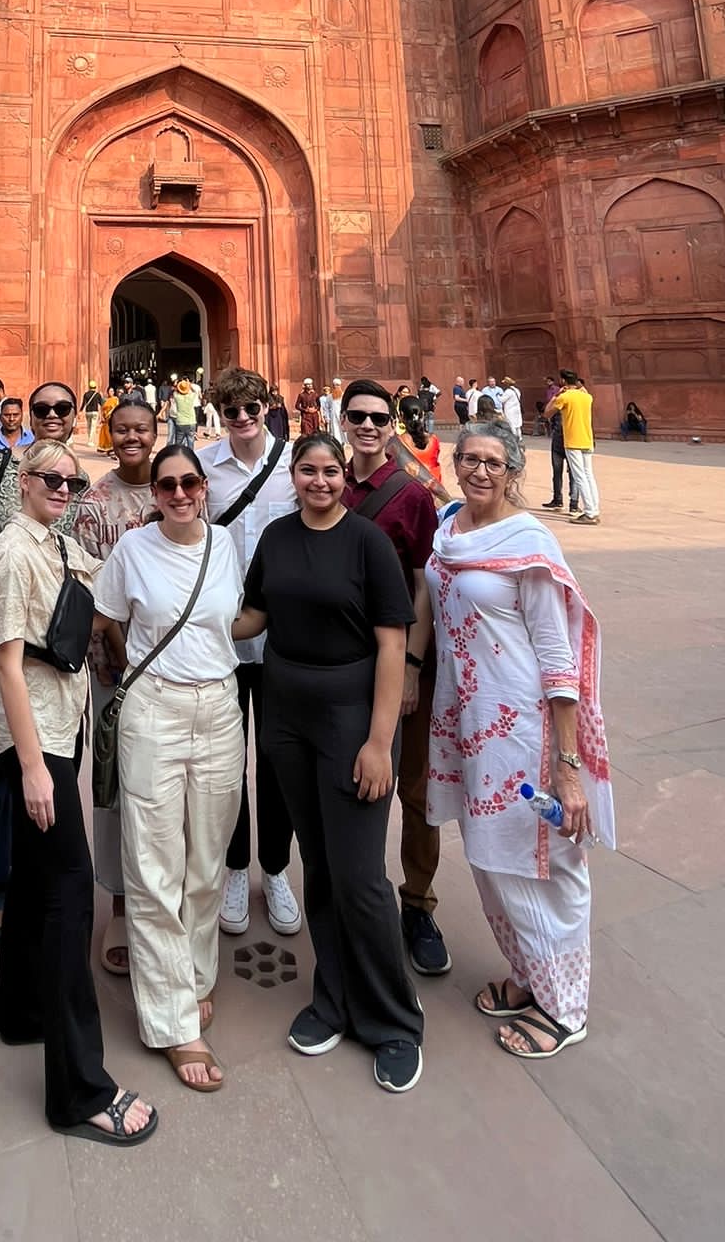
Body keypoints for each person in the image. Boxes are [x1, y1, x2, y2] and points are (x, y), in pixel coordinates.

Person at [234, 431, 424, 1093]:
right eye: (309, 471)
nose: (320, 481)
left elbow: (393, 644)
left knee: (361, 876)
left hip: (350, 716)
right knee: (319, 864)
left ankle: (394, 1019)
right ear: (294, 475)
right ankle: (335, 998)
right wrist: (180, 606)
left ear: (345, 477)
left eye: (330, 472)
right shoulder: (279, 537)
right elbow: (253, 615)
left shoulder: (367, 543)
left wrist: (379, 743)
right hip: (286, 711)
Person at [0, 442, 158, 1148]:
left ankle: (20, 1013)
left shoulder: (56, 544)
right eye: (49, 477)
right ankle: (80, 1090)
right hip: (36, 741)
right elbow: (7, 663)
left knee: (32, 879)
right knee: (68, 895)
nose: (61, 486)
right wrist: (31, 768)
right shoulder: (13, 552)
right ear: (22, 483)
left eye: (70, 479)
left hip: (61, 722)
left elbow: (109, 575)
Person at [426, 420, 615, 1059]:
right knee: (489, 857)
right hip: (474, 726)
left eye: (492, 462)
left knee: (543, 862)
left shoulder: (529, 542)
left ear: (513, 471)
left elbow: (557, 657)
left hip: (526, 733)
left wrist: (568, 766)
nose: (479, 471)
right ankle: (533, 976)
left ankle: (565, 1009)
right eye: (468, 459)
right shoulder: (450, 530)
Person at [96, 441, 245, 1092]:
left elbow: (227, 622)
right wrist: (138, 666)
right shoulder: (132, 549)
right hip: (153, 709)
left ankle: (193, 975)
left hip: (218, 706)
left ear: (203, 487)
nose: (180, 494)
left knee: (207, 860)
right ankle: (172, 1022)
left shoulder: (226, 545)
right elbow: (104, 618)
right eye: (166, 486)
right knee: (154, 868)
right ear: (151, 492)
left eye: (189, 483)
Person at [0, 384, 83, 954]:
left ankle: (27, 893)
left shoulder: (73, 477)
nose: (54, 416)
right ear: (28, 416)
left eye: (64, 409)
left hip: (54, 650)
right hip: (6, 639)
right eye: (44, 410)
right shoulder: (2, 463)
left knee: (37, 783)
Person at [339, 384, 449, 979]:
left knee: (415, 789)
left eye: (377, 418)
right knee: (351, 784)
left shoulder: (411, 494)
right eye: (356, 416)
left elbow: (423, 585)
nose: (367, 425)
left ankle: (417, 903)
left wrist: (411, 664)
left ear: (392, 424)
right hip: (344, 663)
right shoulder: (327, 478)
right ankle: (359, 899)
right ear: (343, 419)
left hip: (401, 662)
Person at [203, 368, 301, 939]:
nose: (242, 419)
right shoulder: (206, 468)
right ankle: (236, 868)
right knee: (228, 761)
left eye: (251, 408)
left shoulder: (295, 464)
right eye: (232, 410)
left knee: (278, 758)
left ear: (267, 406)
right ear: (219, 412)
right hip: (225, 633)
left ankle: (277, 868)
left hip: (286, 634)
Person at [73, 396, 157, 977]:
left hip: (178, 669)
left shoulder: (180, 486)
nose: (131, 437)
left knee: (169, 786)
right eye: (122, 429)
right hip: (115, 669)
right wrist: (111, 656)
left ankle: (164, 900)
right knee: (117, 786)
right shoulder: (94, 501)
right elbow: (86, 593)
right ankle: (124, 906)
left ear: (156, 432)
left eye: (141, 429)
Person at [549, 370, 600, 524]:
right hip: (587, 439)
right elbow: (585, 394)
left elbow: (547, 413)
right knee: (589, 475)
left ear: (563, 381)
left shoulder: (564, 397)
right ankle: (594, 509)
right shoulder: (587, 397)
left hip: (572, 440)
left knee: (579, 477)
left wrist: (555, 396)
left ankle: (589, 513)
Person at [393, 396, 449, 504]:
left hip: (411, 493)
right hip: (436, 491)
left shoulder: (396, 443)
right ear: (423, 415)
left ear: (401, 416)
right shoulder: (434, 440)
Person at [168, 377, 199, 449]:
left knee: (178, 443)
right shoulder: (191, 396)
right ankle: (190, 457)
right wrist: (188, 384)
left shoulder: (177, 397)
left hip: (180, 422)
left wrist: (180, 384)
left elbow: (175, 390)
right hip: (191, 422)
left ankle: (178, 456)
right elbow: (195, 391)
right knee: (191, 443)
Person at [82, 381, 105, 448]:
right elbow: (101, 404)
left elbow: (83, 403)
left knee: (88, 426)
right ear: (95, 387)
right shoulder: (97, 394)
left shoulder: (86, 394)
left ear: (89, 387)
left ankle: (89, 439)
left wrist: (80, 410)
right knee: (93, 426)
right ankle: (91, 441)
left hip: (88, 412)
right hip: (95, 412)